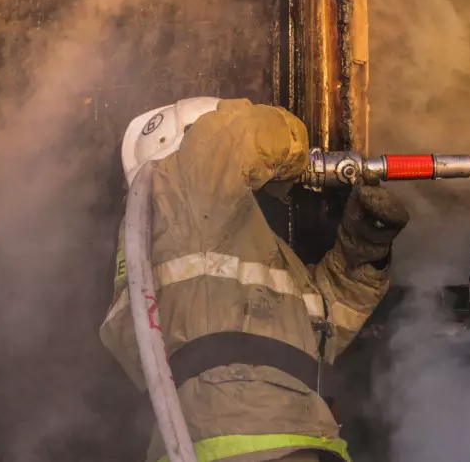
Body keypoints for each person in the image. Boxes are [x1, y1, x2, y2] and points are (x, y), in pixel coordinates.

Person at [100, 97, 410, 462]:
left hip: (277, 440)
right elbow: (240, 132)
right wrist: (303, 158)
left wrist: (366, 246)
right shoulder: (185, 183)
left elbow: (321, 328)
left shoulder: (204, 262)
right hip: (248, 439)